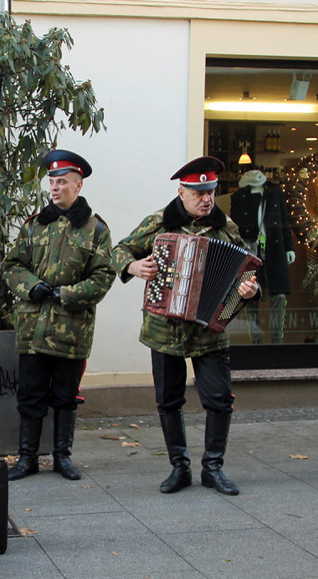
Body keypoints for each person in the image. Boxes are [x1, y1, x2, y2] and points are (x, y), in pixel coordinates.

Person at [111, 156, 260, 496]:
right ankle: (179, 468)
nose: (206, 198)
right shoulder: (159, 223)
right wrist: (134, 266)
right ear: (181, 192)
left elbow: (247, 271)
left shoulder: (226, 228)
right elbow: (119, 250)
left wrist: (249, 289)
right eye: (198, 192)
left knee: (219, 400)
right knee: (168, 400)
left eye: (210, 191)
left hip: (208, 332)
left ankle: (213, 468)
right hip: (164, 330)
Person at [3, 150, 115, 481]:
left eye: (62, 182)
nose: (54, 188)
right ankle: (27, 458)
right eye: (51, 182)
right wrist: (31, 286)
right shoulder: (35, 225)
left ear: (78, 186)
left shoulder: (95, 230)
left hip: (72, 329)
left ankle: (62, 456)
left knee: (65, 397)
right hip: (33, 327)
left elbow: (103, 275)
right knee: (30, 394)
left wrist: (67, 294)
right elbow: (11, 266)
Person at [230, 169, 295, 344]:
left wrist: (289, 248)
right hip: (250, 248)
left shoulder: (275, 193)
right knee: (250, 295)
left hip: (274, 247)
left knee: (279, 295)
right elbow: (236, 228)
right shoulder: (239, 197)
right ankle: (256, 339)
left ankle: (277, 338)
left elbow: (284, 220)